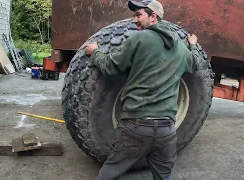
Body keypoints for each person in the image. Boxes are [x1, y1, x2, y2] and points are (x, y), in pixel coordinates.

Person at [85, 0, 201, 179]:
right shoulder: (179, 46)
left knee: (108, 174)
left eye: (138, 15)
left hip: (136, 128)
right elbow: (194, 63)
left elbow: (110, 67)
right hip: (167, 131)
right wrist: (192, 44)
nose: (134, 20)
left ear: (153, 16)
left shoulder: (139, 39)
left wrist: (95, 52)